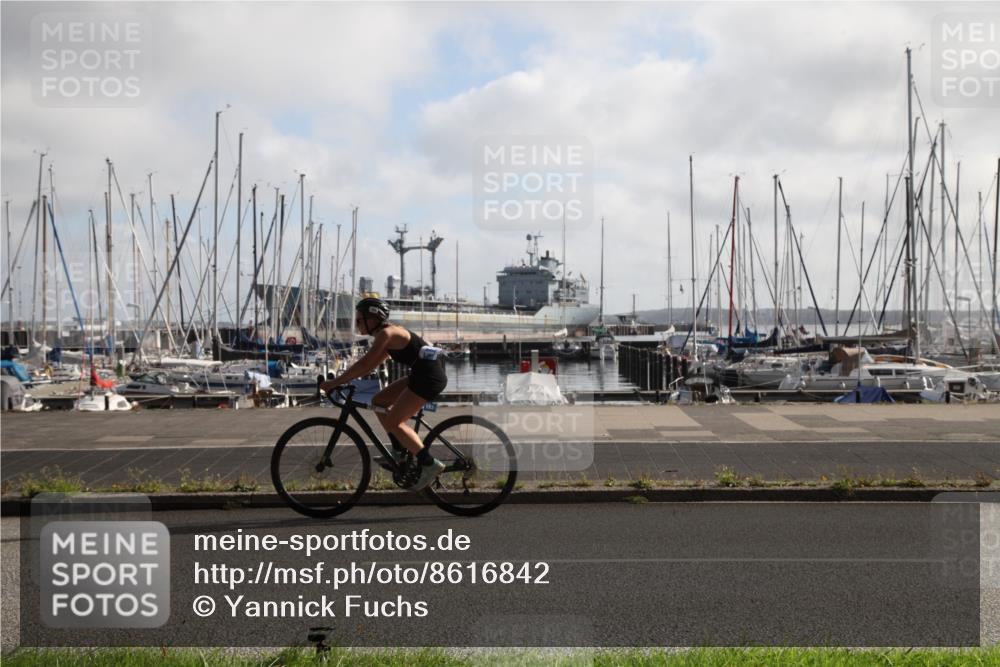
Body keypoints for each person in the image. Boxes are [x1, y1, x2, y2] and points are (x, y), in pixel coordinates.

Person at [320, 297, 446, 491]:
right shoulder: (387, 336)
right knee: (378, 401)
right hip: (420, 375)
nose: (356, 324)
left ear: (373, 319)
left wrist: (334, 383)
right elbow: (368, 366)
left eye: (360, 320)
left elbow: (364, 364)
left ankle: (429, 464)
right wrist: (343, 381)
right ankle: (399, 451)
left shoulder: (387, 334)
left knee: (394, 421)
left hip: (428, 378)